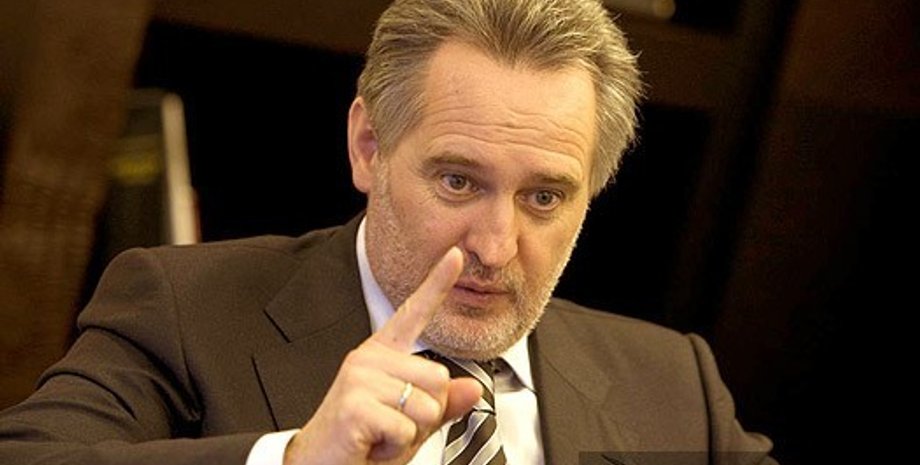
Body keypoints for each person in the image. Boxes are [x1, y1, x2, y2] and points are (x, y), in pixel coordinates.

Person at [0, 0, 776, 464]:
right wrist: (297, 459)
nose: (495, 246)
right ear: (368, 146)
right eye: (459, 181)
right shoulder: (184, 309)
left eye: (543, 197)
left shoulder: (674, 385)